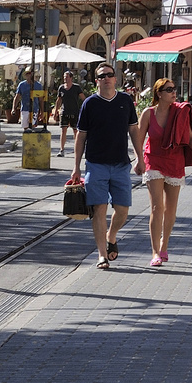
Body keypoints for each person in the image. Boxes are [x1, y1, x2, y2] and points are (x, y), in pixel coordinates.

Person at [71, 63, 144, 270]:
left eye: (110, 75)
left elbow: (133, 130)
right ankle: (102, 255)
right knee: (99, 208)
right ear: (97, 81)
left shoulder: (125, 101)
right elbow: (81, 136)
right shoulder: (90, 104)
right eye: (102, 76)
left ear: (115, 78)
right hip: (96, 164)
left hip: (121, 164)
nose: (106, 78)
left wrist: (140, 157)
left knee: (122, 210)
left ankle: (111, 235)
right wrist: (76, 166)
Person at [138, 77, 192, 266]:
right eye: (169, 89)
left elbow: (191, 137)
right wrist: (138, 159)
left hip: (174, 162)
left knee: (171, 209)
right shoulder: (148, 113)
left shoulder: (180, 113)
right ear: (159, 93)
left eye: (174, 89)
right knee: (156, 207)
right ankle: (154, 252)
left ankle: (164, 245)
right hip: (153, 160)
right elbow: (139, 137)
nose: (173, 92)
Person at [56, 71, 84, 156]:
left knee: (76, 131)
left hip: (74, 112)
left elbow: (83, 98)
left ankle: (77, 149)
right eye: (64, 77)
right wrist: (56, 111)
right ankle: (62, 149)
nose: (65, 78)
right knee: (63, 130)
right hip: (64, 111)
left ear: (71, 78)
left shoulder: (76, 87)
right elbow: (59, 100)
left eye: (67, 77)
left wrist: (86, 109)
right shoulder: (61, 88)